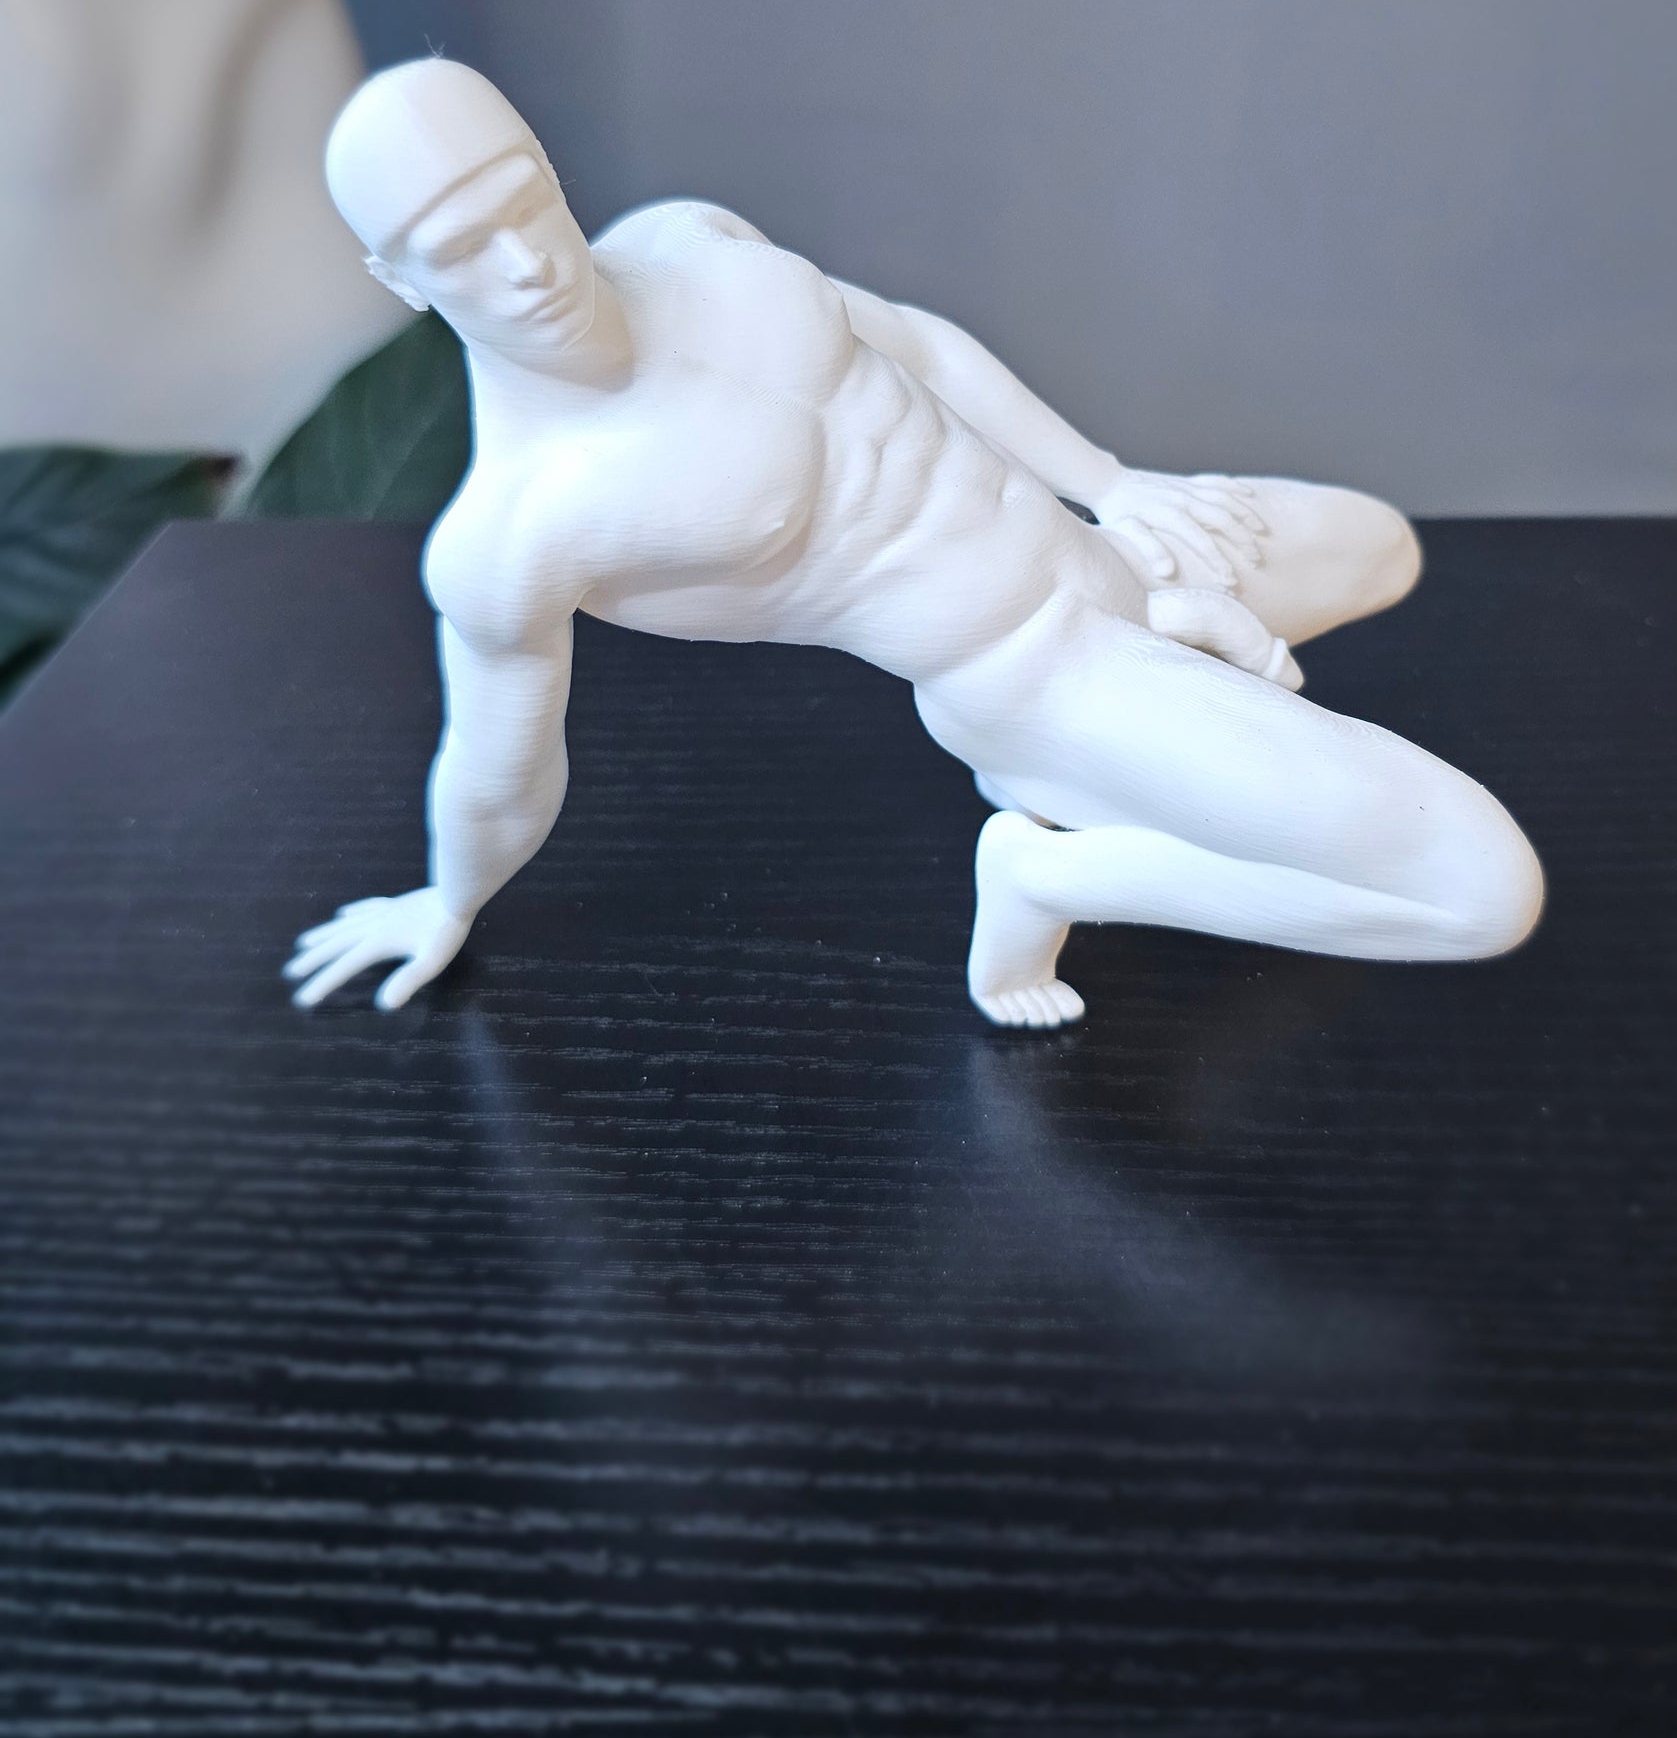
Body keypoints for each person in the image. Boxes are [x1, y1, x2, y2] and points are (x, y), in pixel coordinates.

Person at [288, 60, 1542, 1024]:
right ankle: (1052, 876)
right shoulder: (519, 529)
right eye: (462, 252)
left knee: (1378, 549)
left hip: (1111, 566)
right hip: (1041, 675)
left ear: (546, 168)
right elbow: (498, 764)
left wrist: (1115, 484)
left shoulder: (688, 242)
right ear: (399, 279)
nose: (527, 266)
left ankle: (1166, 710)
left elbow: (919, 349)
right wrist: (447, 898)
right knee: (1477, 893)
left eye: (525, 205)